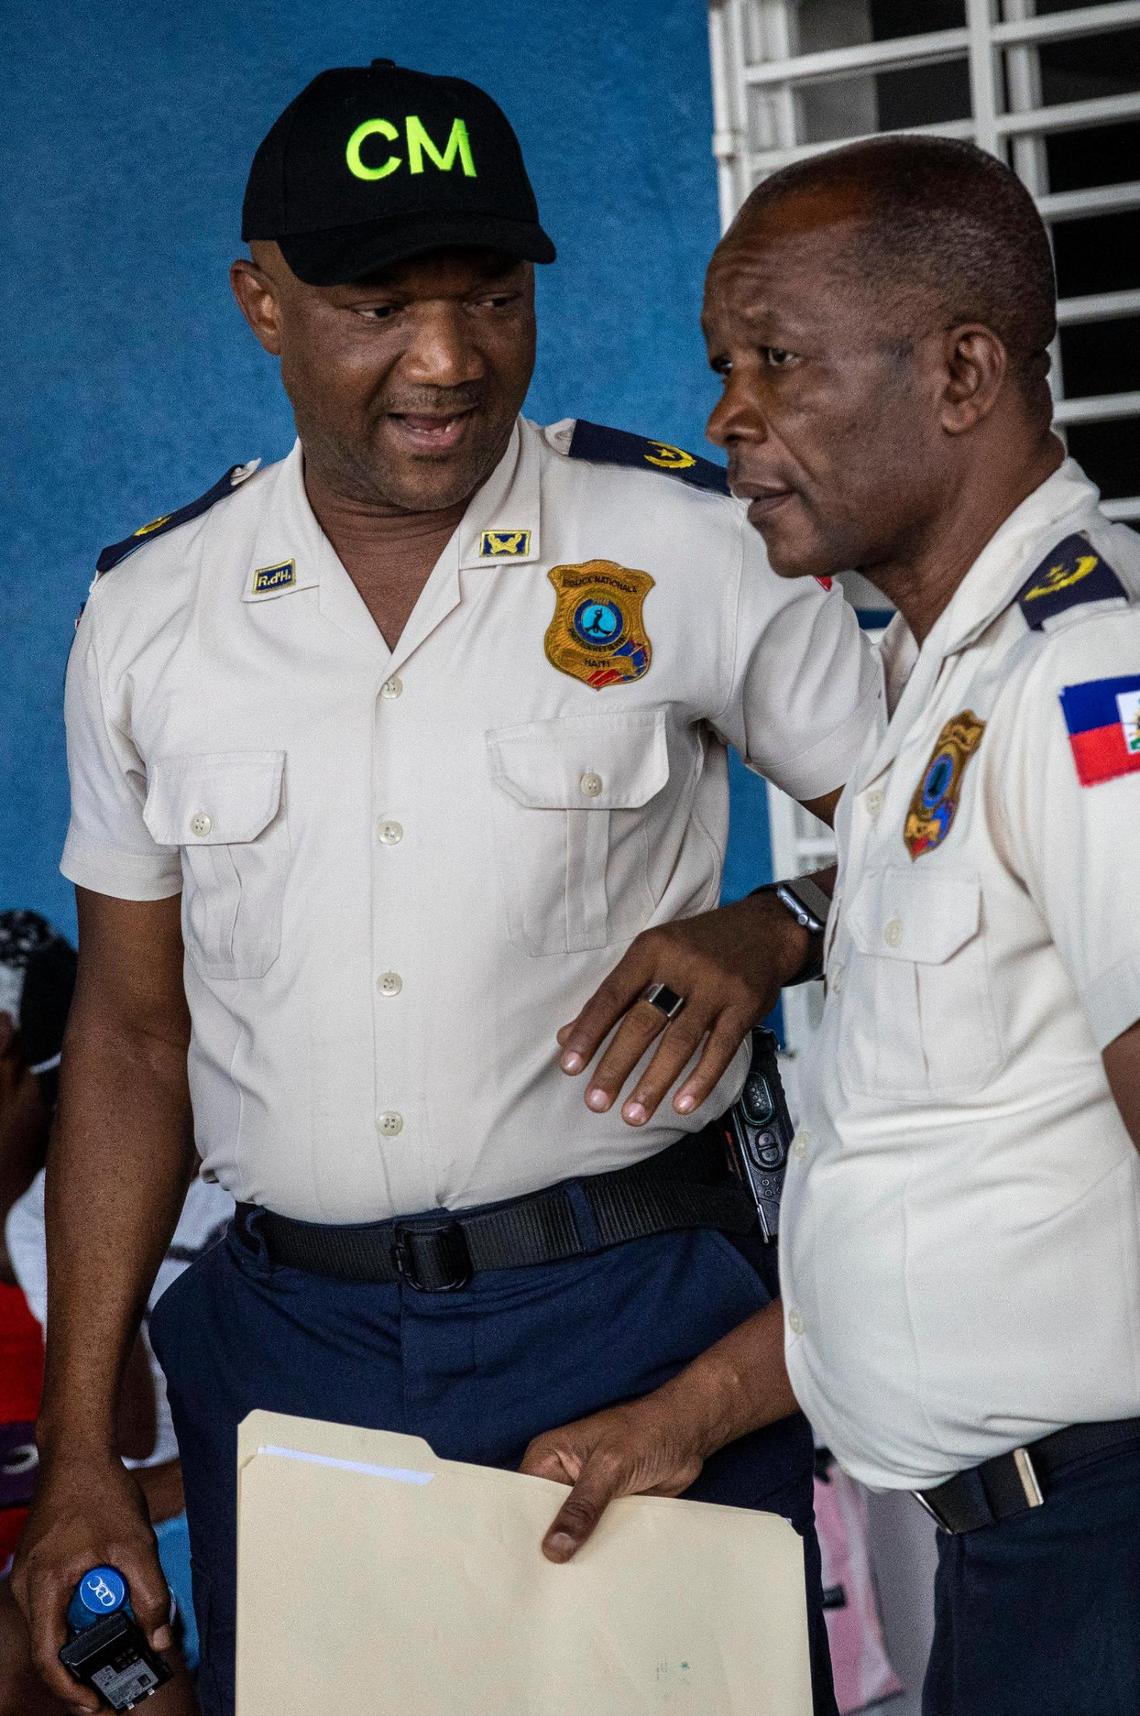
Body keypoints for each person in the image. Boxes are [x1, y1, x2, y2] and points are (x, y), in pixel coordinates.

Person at [13, 59, 881, 1716]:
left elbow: (944, 830)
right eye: (378, 302)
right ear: (261, 305)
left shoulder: (688, 546)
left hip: (638, 1311)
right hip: (296, 1353)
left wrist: (776, 925)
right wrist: (79, 1450)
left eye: (491, 295)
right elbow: (129, 1038)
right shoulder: (153, 613)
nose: (449, 359)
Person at [525, 135, 1140, 1715]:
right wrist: (687, 1415)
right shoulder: (930, 684)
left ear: (962, 373)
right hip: (1010, 1558)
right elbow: (961, 1173)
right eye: (727, 366)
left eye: (782, 362)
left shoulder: (1085, 677)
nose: (732, 415)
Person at [0, 910, 220, 1716]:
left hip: (248, 1463)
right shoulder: (47, 1217)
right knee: (80, 1617)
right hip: (168, 1492)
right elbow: (124, 1437)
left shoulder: (276, 1157)